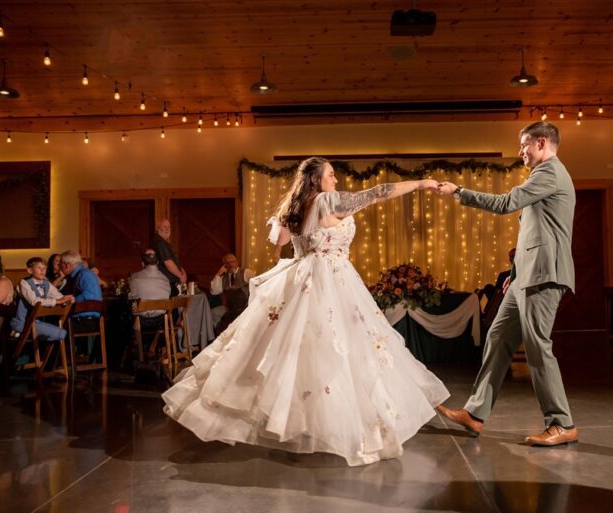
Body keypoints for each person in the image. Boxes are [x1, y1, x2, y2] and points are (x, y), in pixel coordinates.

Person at [163, 157, 448, 466]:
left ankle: (305, 421)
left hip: (305, 278)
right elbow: (379, 192)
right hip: (331, 281)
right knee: (341, 351)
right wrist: (421, 184)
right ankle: (340, 425)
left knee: (304, 353)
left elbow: (283, 242)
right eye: (331, 175)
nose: (336, 180)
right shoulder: (328, 201)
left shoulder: (295, 207)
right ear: (316, 180)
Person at [435, 121, 578, 447]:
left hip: (545, 274)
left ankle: (562, 423)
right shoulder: (543, 176)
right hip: (527, 274)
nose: (520, 152)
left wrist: (459, 192)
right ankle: (475, 413)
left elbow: (505, 204)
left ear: (541, 143)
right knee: (499, 336)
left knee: (538, 346)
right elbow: (536, 231)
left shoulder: (549, 173)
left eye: (524, 145)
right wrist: (515, 271)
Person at [10, 257, 74, 340]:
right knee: (62, 333)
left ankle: (43, 350)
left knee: (63, 332)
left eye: (44, 268)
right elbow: (34, 301)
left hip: (35, 322)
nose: (42, 271)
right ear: (30, 270)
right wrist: (57, 301)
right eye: (39, 268)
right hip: (22, 323)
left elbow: (58, 296)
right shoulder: (24, 283)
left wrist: (67, 299)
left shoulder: (46, 283)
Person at [209, 254, 253, 333]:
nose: (230, 265)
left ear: (237, 262)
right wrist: (218, 273)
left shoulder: (245, 272)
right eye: (227, 263)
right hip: (230, 308)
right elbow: (214, 291)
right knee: (213, 312)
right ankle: (221, 337)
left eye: (232, 262)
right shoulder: (223, 278)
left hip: (244, 307)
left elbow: (256, 285)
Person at [130, 249, 171, 315]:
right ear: (157, 262)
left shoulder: (135, 278)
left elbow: (133, 299)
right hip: (162, 321)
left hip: (141, 321)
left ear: (142, 264)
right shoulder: (166, 280)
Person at [152, 219, 186, 294]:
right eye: (164, 227)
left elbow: (174, 261)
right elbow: (168, 263)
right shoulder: (160, 242)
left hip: (170, 283)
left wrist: (183, 271)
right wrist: (181, 275)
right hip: (167, 284)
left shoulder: (164, 243)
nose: (167, 229)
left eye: (169, 227)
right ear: (158, 228)